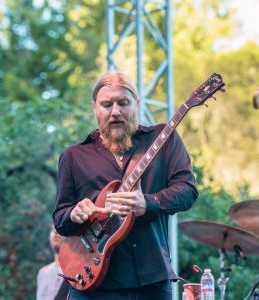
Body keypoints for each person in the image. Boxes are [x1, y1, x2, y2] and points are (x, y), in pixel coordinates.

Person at [53, 71, 199, 299]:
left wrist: (149, 203)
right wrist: (75, 214)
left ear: (136, 103)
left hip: (151, 280)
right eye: (106, 104)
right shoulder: (74, 156)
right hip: (92, 282)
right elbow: (60, 219)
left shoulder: (163, 139)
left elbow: (188, 190)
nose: (115, 112)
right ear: (95, 107)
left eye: (123, 103)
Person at [36, 226, 70, 300]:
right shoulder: (42, 272)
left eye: (60, 229)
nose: (55, 231)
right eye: (52, 229)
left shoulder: (75, 272)